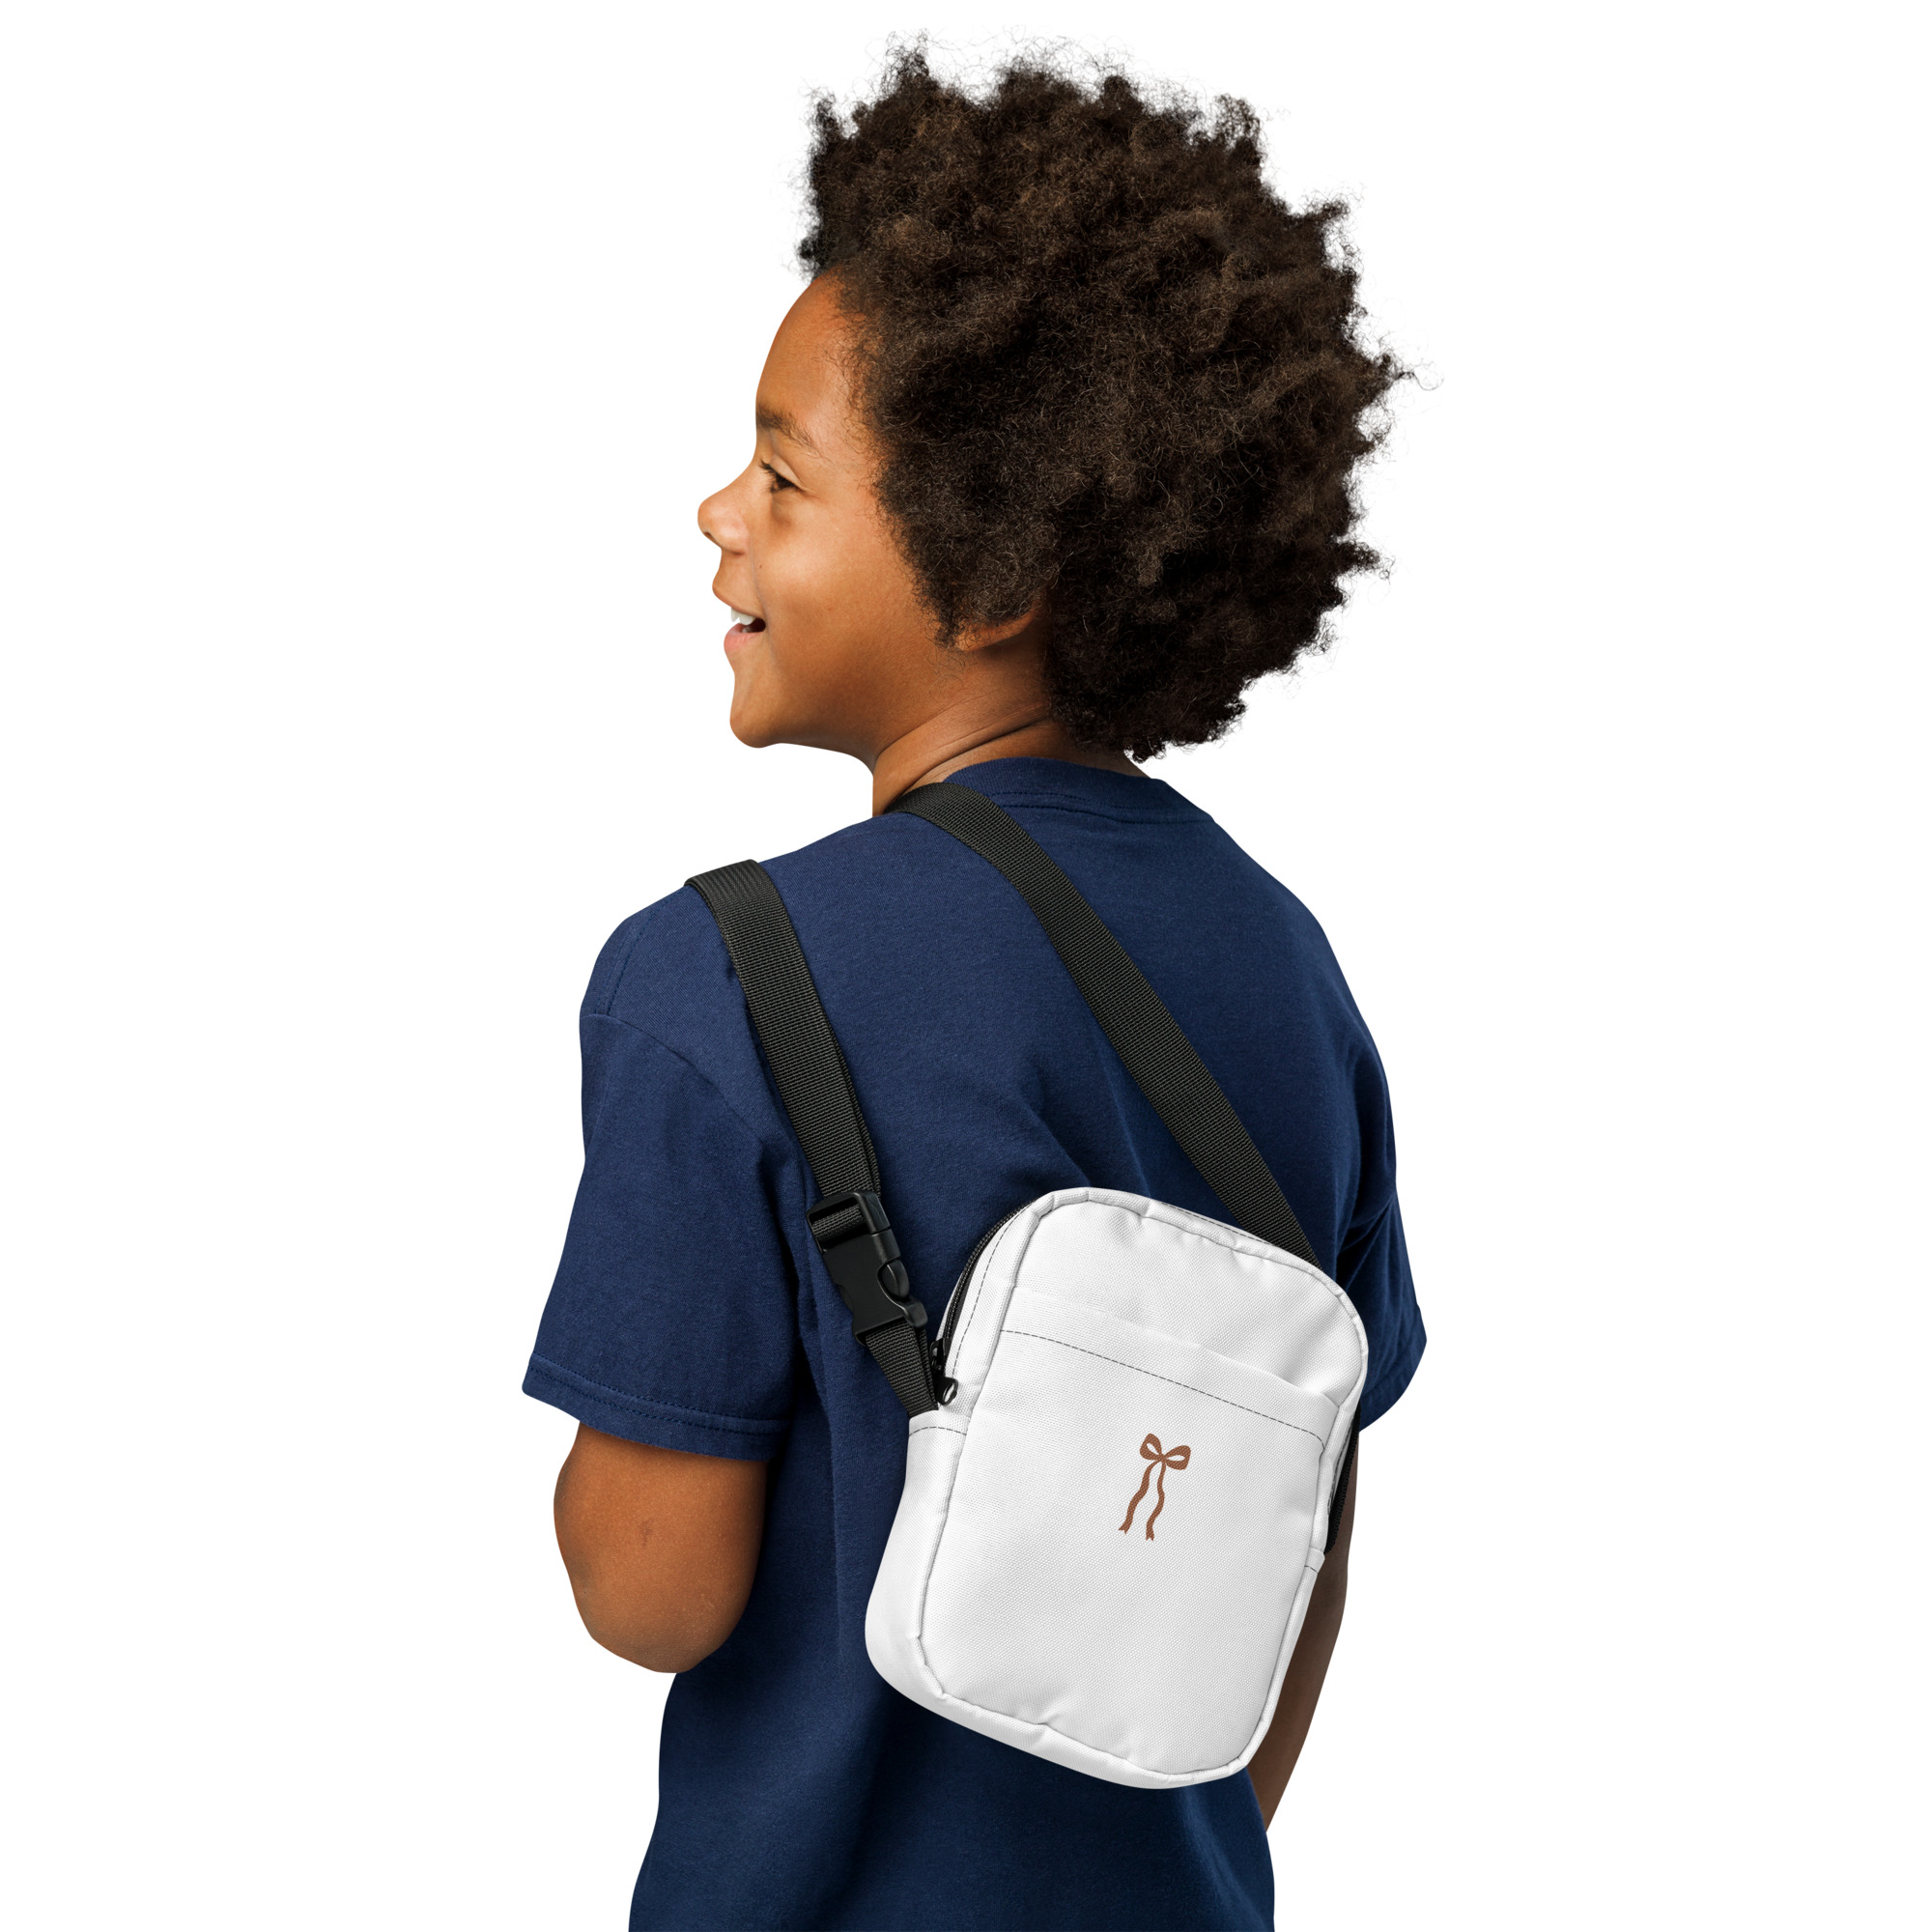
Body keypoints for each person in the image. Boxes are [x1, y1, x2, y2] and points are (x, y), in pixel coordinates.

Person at [525, 48, 1423, 1931]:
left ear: (997, 570)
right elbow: (1305, 1525)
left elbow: (654, 1590)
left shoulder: (715, 974)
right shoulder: (1287, 966)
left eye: (783, 475)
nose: (718, 511)